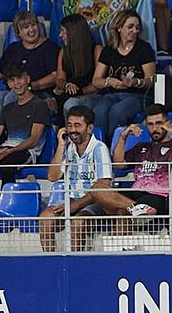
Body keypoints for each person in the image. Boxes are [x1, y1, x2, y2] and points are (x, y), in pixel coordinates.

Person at [39, 104, 117, 251]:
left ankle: (76, 264)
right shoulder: (67, 147)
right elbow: (52, 176)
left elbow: (103, 186)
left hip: (97, 201)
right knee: (46, 217)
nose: (72, 130)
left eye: (77, 125)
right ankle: (50, 261)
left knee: (78, 221)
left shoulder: (99, 149)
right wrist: (61, 145)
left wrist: (77, 205)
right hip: (71, 200)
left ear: (89, 128)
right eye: (69, 125)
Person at [113, 103, 172, 218]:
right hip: (135, 193)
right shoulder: (141, 147)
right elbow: (118, 164)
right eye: (150, 124)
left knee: (122, 212)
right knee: (100, 193)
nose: (154, 129)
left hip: (160, 196)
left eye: (159, 124)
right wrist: (123, 136)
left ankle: (138, 211)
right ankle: (138, 209)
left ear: (167, 123)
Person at [0, 10, 61, 129]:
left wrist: (28, 87)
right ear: (18, 33)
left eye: (33, 25)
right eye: (26, 27)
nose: (31, 30)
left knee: (11, 98)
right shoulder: (13, 49)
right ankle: (1, 135)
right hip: (16, 90)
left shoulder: (50, 47)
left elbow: (55, 76)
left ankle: (17, 137)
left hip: (42, 94)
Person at [89, 9, 156, 141]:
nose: (135, 31)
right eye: (130, 27)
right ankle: (102, 147)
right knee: (99, 110)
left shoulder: (144, 48)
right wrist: (109, 81)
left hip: (137, 95)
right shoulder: (109, 49)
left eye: (137, 27)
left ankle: (115, 148)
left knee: (117, 111)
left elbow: (151, 80)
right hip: (111, 94)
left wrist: (136, 82)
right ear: (119, 28)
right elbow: (96, 81)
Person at [0, 65, 52, 183]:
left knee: (7, 167)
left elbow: (34, 140)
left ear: (27, 79)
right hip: (5, 149)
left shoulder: (39, 106)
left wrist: (10, 151)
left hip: (26, 151)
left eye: (19, 78)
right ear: (9, 84)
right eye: (12, 80)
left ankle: (10, 199)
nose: (16, 83)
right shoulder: (7, 108)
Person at [54, 13, 103, 121]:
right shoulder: (63, 52)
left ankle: (72, 136)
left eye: (63, 31)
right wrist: (67, 85)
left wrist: (77, 91)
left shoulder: (96, 50)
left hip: (90, 95)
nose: (60, 35)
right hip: (69, 94)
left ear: (74, 33)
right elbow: (59, 79)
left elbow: (97, 85)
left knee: (71, 105)